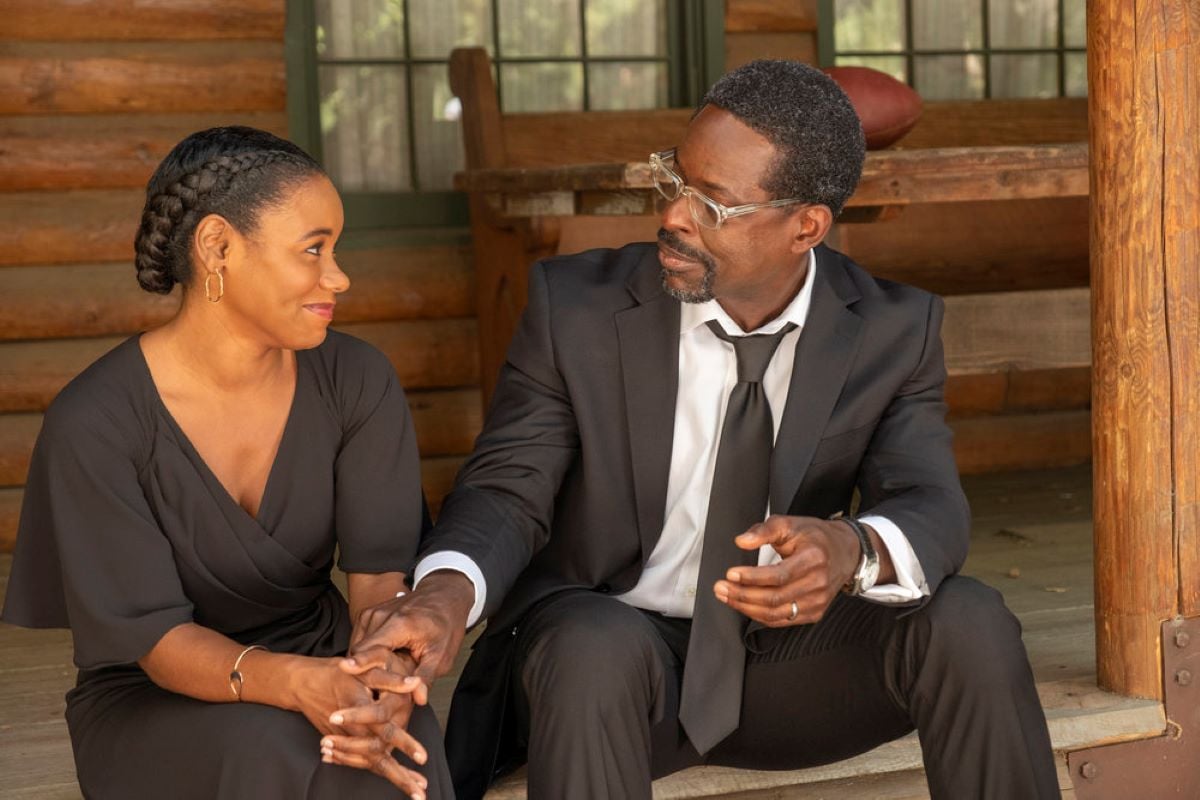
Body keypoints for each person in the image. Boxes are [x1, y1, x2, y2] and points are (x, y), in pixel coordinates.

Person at [344, 61, 1060, 799]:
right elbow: (508, 488)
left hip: (792, 674)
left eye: (714, 204)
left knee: (971, 620)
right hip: (611, 676)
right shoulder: (578, 309)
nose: (676, 216)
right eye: (674, 181)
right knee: (593, 647)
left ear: (805, 226)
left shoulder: (892, 331)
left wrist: (849, 549)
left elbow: (930, 504)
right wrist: (444, 597)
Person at [1, 127, 452, 799]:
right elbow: (155, 643)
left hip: (327, 661)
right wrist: (298, 685)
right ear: (218, 247)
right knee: (281, 751)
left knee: (382, 752)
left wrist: (381, 675)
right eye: (313, 249)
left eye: (337, 248)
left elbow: (378, 578)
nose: (339, 276)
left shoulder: (356, 379)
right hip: (157, 697)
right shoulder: (95, 422)